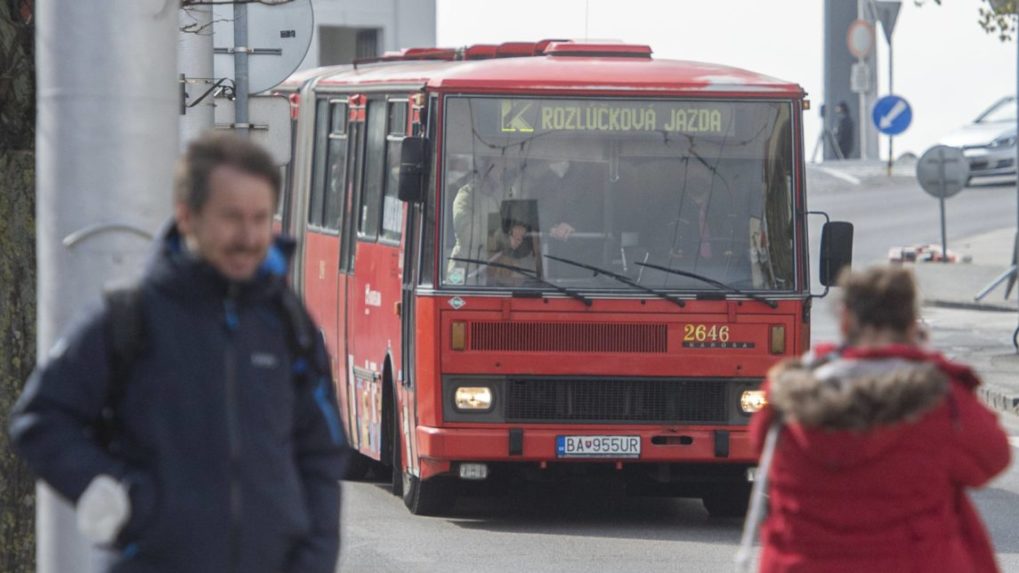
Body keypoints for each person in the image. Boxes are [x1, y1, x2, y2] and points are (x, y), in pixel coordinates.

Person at [8, 133, 349, 573]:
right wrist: (112, 494)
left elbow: (321, 452)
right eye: (231, 218)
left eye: (260, 218)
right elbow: (40, 419)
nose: (248, 236)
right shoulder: (130, 315)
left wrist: (314, 560)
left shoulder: (287, 323)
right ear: (188, 217)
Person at [748, 266, 1010, 573]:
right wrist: (925, 359)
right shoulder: (941, 401)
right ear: (912, 325)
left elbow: (759, 442)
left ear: (845, 321)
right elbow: (993, 458)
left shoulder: (791, 397)